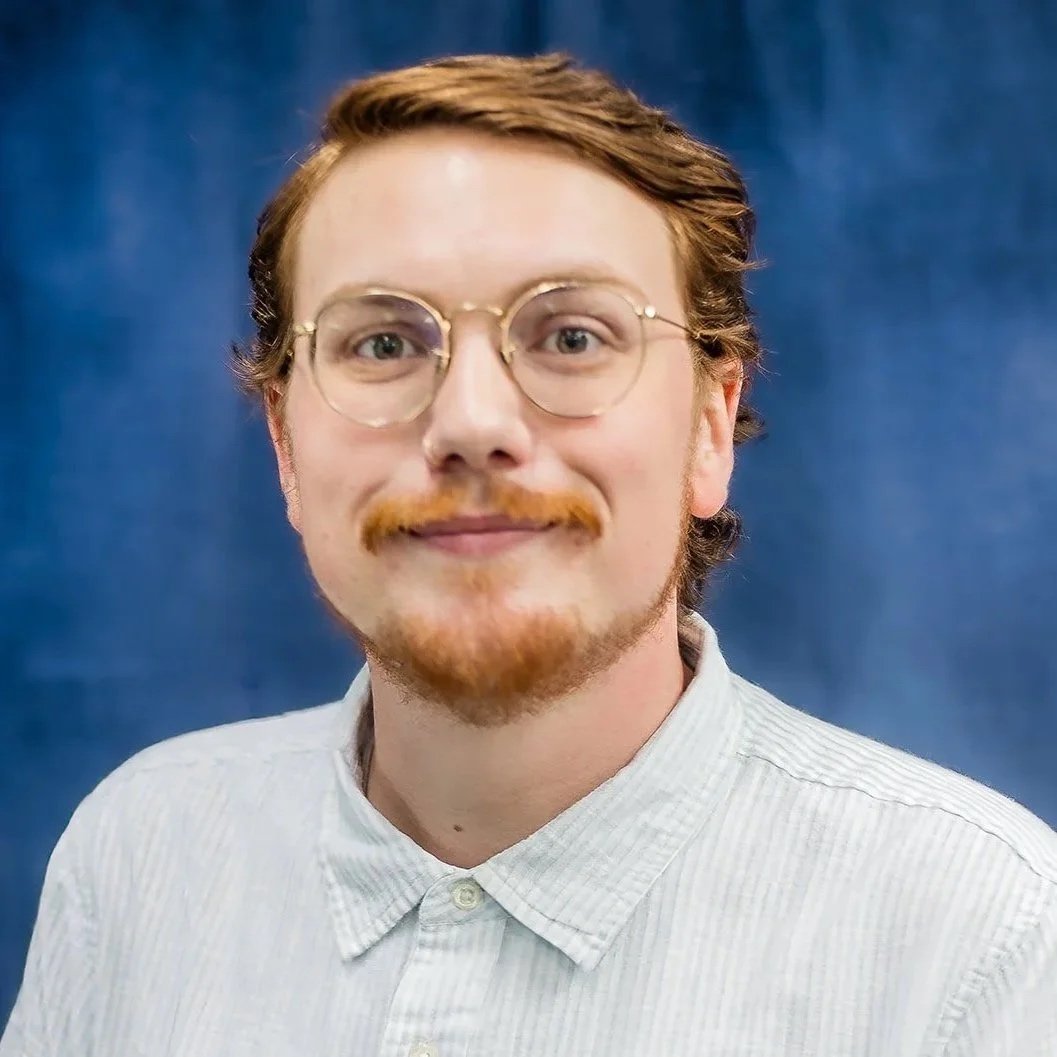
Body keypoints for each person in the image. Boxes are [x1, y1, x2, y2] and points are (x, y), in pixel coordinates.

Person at [3, 52, 1055, 1057]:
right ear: (285, 445)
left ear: (708, 427)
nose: (471, 422)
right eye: (382, 342)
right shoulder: (139, 855)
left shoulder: (980, 933)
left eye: (572, 336)